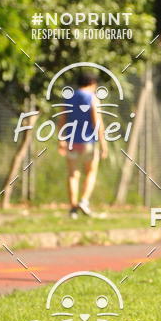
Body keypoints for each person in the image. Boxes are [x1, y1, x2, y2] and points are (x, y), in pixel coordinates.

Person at [58, 70, 107, 217]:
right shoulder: (92, 98)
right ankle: (84, 201)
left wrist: (61, 140)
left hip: (71, 141)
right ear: (92, 83)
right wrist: (104, 144)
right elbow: (97, 122)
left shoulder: (68, 98)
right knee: (91, 172)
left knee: (73, 175)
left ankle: (73, 208)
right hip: (88, 141)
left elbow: (61, 121)